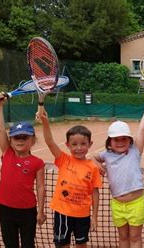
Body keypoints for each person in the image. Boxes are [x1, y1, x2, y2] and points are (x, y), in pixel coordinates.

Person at [93, 96, 144, 248]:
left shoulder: (135, 151)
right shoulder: (106, 155)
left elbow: (142, 128)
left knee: (135, 237)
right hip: (117, 205)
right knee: (123, 237)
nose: (120, 142)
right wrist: (96, 164)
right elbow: (92, 158)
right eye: (116, 139)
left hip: (136, 204)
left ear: (130, 140)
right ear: (110, 142)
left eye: (124, 139)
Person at [36, 105, 102, 248]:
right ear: (67, 145)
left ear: (90, 144)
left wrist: (95, 217)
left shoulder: (93, 167)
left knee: (82, 244)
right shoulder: (64, 159)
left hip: (83, 215)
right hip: (62, 213)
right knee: (62, 244)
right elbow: (50, 142)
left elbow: (95, 192)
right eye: (74, 144)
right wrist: (45, 122)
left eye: (83, 144)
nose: (79, 148)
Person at [0, 93, 46, 248]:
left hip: (28, 211)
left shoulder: (37, 162)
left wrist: (41, 211)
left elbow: (41, 187)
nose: (20, 140)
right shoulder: (7, 153)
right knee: (10, 244)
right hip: (6, 210)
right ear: (10, 140)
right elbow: (0, 128)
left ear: (33, 140)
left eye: (24, 137)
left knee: (28, 244)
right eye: (16, 137)